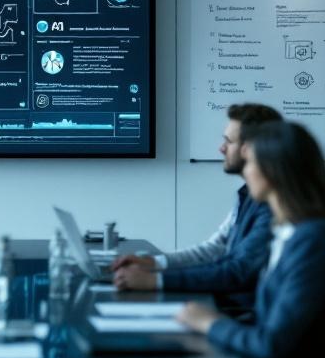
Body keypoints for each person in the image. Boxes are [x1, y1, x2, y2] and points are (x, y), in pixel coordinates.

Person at [176, 121, 325, 358]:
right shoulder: (294, 232)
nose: (245, 173)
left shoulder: (313, 241)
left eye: (249, 163)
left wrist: (210, 322)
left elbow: (271, 344)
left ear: (272, 171)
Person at [113, 103, 281, 311]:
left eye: (229, 141)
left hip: (240, 313)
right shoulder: (247, 194)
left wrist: (155, 281)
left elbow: (239, 270)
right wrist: (155, 264)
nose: (221, 148)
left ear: (252, 149)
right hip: (228, 306)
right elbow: (216, 250)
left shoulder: (273, 203)